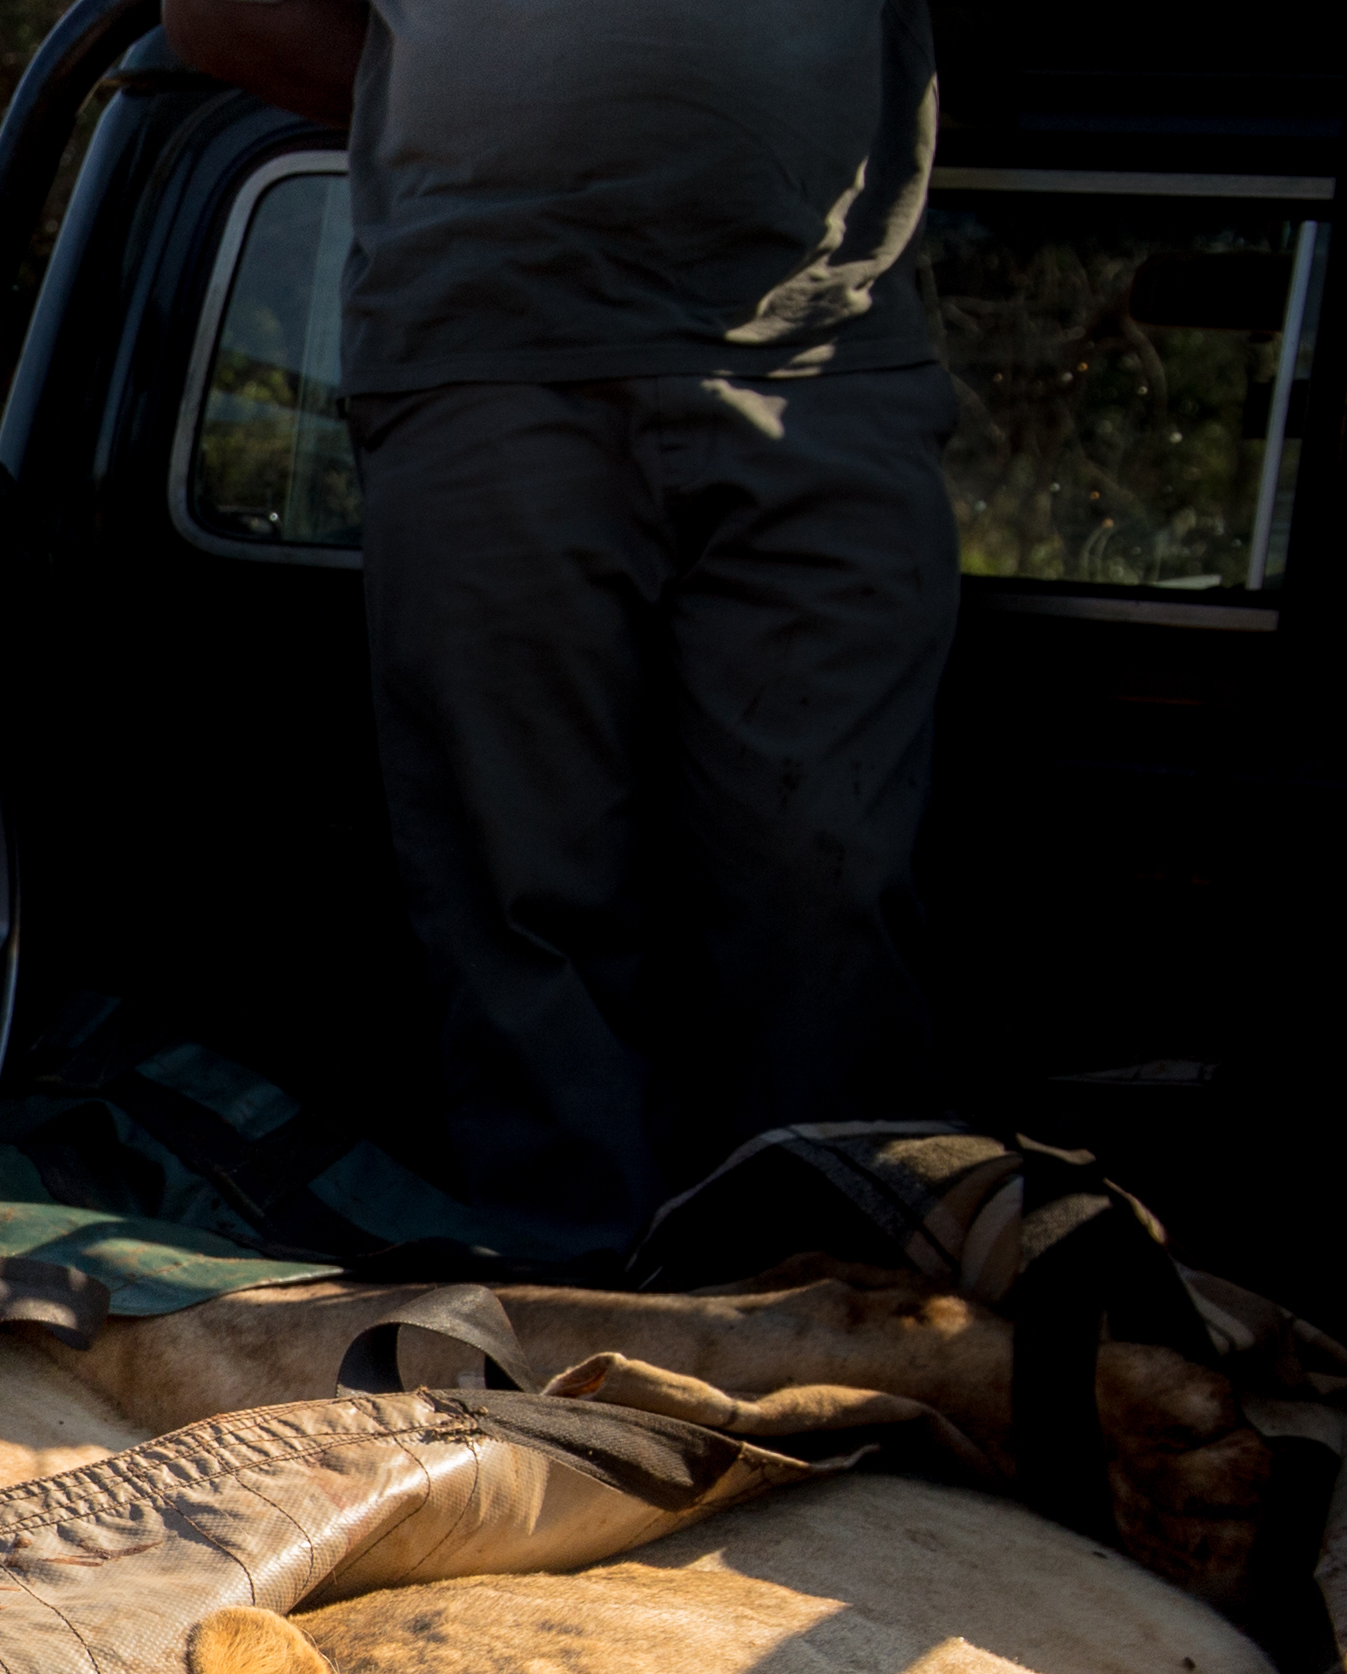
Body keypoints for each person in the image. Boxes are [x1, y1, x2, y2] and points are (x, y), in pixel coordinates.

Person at [162, 0, 959, 1252]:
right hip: (482, 349)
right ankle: (577, 1320)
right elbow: (222, 12)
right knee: (520, 892)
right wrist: (464, 97)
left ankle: (830, 1310)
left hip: (820, 361)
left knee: (830, 884)